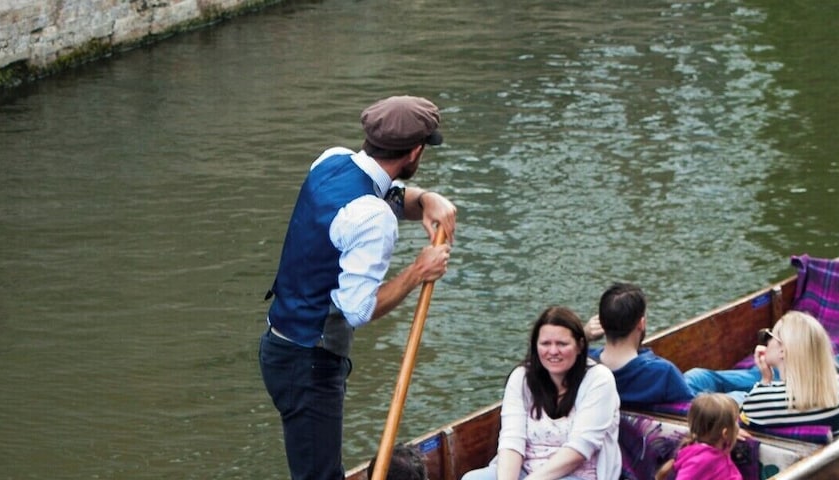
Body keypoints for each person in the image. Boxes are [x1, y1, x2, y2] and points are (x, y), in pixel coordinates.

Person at [260, 95, 458, 480]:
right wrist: (418, 271)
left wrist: (427, 199)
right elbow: (359, 310)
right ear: (415, 152)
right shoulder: (374, 218)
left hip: (280, 346)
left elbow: (386, 197)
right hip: (309, 362)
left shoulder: (330, 161)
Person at [463, 306, 622, 480]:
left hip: (577, 474)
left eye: (562, 344)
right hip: (525, 469)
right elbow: (511, 440)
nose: (553, 351)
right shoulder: (521, 377)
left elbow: (579, 449)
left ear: (579, 345)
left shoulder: (598, 379)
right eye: (546, 344)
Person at [586, 283, 696, 408]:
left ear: (601, 323)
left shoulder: (584, 364)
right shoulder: (663, 373)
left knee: (696, 375)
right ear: (641, 324)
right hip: (690, 394)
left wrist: (584, 335)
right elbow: (694, 413)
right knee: (703, 378)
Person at [740, 311, 839, 430]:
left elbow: (745, 417)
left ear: (783, 350)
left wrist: (765, 380)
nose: (766, 342)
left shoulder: (759, 401)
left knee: (736, 396)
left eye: (769, 336)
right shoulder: (836, 394)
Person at [660, 393, 743, 480]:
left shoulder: (716, 449)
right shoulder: (704, 460)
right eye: (736, 421)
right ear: (725, 433)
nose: (738, 426)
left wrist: (732, 432)